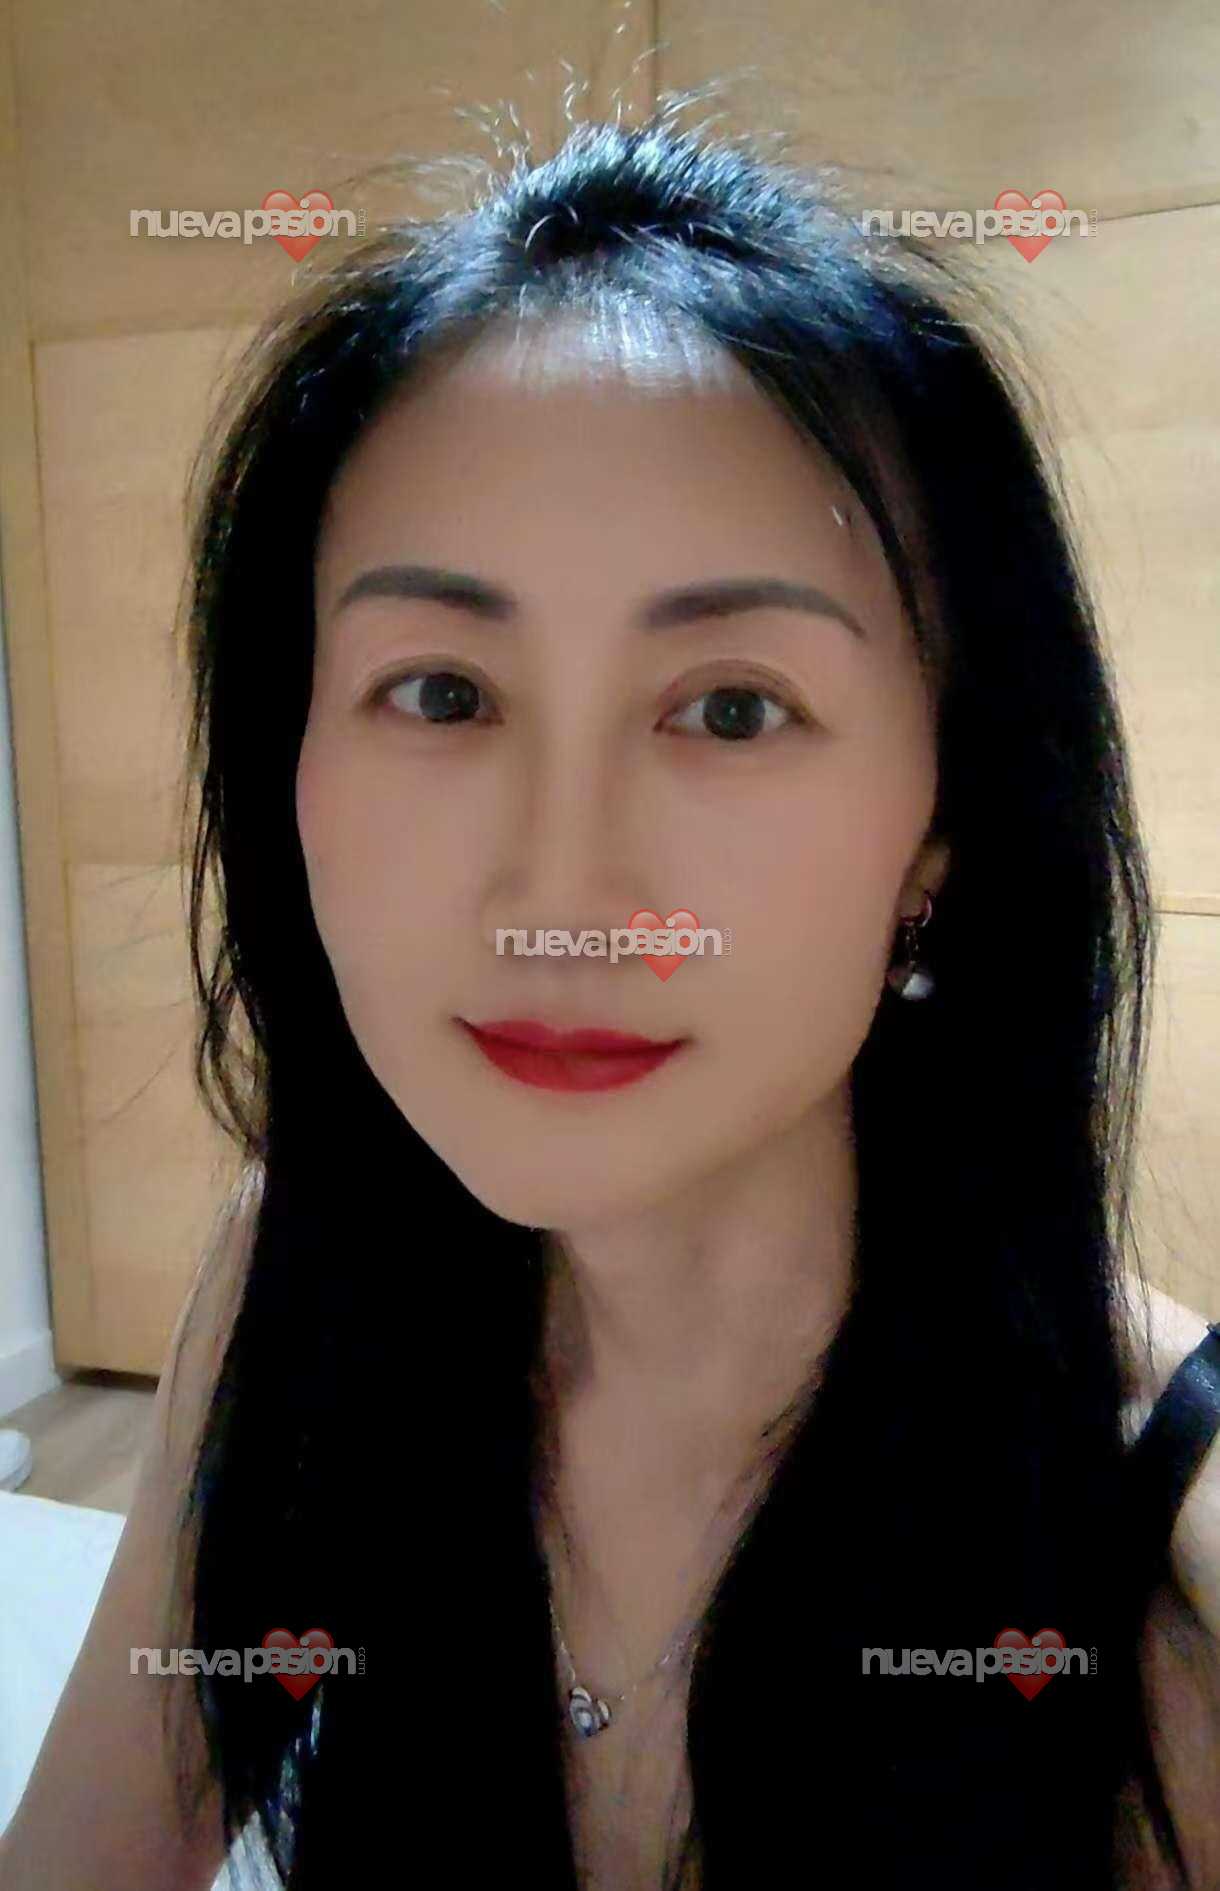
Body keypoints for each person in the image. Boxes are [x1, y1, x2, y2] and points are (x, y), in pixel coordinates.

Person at [1, 112, 1219, 1891]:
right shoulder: (298, 1278)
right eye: (442, 694)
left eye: (731, 709)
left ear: (940, 824)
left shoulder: (1165, 1550)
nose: (560, 897)